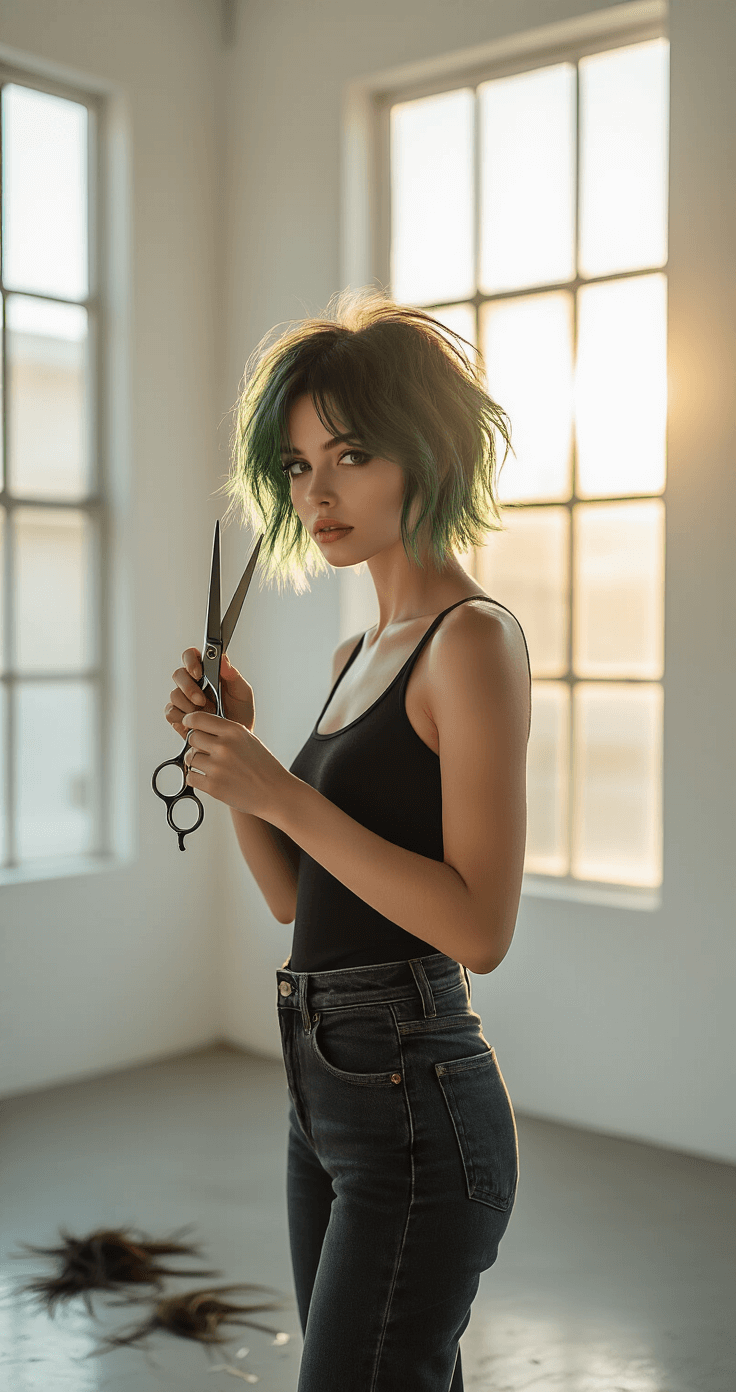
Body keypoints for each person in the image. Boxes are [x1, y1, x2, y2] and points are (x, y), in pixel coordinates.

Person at [164, 288, 532, 1391]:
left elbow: (480, 929)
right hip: (322, 1089)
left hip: (414, 1094)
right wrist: (239, 762)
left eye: (351, 456)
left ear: (428, 453)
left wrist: (282, 791)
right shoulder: (355, 654)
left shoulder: (471, 642)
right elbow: (295, 897)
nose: (314, 494)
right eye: (295, 465)